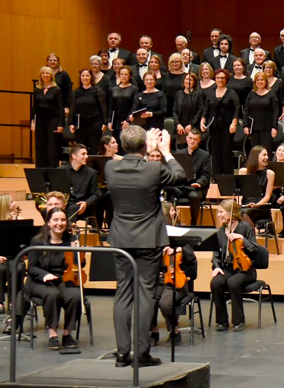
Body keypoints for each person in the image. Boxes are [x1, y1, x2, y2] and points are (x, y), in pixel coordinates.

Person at [103, 126, 185, 367]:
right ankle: (141, 353)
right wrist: (165, 151)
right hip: (148, 240)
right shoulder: (154, 168)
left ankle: (121, 354)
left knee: (123, 294)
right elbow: (180, 175)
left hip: (121, 239)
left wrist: (145, 150)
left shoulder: (110, 167)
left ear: (122, 144)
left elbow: (130, 162)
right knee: (146, 295)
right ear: (144, 147)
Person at [24, 208, 83, 350]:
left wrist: (77, 252)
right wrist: (45, 275)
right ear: (48, 223)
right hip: (39, 280)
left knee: (75, 295)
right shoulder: (37, 241)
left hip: (63, 278)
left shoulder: (71, 240)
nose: (59, 223)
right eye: (55, 220)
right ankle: (53, 334)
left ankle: (67, 334)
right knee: (53, 294)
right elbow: (31, 267)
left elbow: (80, 265)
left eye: (63, 220)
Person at [209, 199, 261, 332]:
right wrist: (216, 267)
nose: (219, 215)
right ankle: (222, 321)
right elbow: (215, 255)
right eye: (218, 212)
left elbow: (255, 249)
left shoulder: (245, 227)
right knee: (216, 283)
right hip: (228, 268)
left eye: (221, 212)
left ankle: (238, 321)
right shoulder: (220, 232)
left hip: (246, 269)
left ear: (230, 213)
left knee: (233, 283)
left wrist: (242, 238)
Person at [154, 202, 198, 346]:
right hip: (157, 279)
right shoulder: (154, 235)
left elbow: (191, 259)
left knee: (165, 303)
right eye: (172, 210)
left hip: (177, 282)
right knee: (146, 301)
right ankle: (152, 332)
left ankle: (175, 332)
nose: (174, 213)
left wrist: (180, 249)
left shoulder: (180, 234)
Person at [0, 194, 25, 320]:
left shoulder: (20, 220)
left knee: (17, 269)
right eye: (12, 201)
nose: (14, 203)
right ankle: (0, 302)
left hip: (14, 256)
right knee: (0, 269)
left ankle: (14, 302)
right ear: (4, 205)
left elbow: (24, 242)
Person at [166, 128, 211, 225]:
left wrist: (199, 183)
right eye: (190, 138)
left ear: (199, 141)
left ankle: (193, 222)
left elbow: (206, 175)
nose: (192, 141)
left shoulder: (205, 155)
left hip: (196, 188)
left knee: (194, 196)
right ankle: (171, 221)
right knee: (170, 191)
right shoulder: (179, 154)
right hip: (181, 187)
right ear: (186, 139)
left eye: (195, 139)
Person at [202, 69, 242, 176]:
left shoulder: (232, 93)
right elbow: (206, 109)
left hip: (228, 126)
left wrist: (234, 123)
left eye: (222, 78)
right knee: (215, 151)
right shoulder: (210, 92)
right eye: (218, 78)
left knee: (226, 151)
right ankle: (217, 177)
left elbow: (237, 109)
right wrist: (202, 121)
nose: (220, 80)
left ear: (226, 79)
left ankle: (228, 178)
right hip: (214, 126)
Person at [32, 66, 65, 167]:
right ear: (40, 76)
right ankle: (40, 172)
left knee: (52, 147)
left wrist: (60, 124)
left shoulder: (57, 89)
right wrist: (33, 121)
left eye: (47, 73)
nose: (45, 75)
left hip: (53, 120)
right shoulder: (37, 90)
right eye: (43, 73)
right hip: (40, 121)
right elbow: (34, 107)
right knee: (40, 146)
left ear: (51, 75)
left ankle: (52, 172)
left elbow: (60, 108)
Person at [237, 145, 276, 231]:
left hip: (261, 207)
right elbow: (240, 192)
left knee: (244, 213)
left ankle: (250, 240)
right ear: (256, 157)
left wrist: (256, 205)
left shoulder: (270, 173)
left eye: (267, 155)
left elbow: (267, 196)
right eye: (264, 155)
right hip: (245, 205)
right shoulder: (243, 171)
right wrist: (239, 202)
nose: (267, 157)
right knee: (231, 210)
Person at [68, 68, 108, 151]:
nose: (85, 78)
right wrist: (70, 122)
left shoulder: (98, 91)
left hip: (95, 123)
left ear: (91, 77)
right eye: (83, 76)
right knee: (81, 148)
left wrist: (105, 122)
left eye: (87, 76)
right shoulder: (76, 92)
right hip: (80, 125)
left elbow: (103, 108)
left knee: (94, 148)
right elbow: (72, 108)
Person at [64, 144, 99, 222]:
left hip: (80, 204)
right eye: (83, 154)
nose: (86, 156)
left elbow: (95, 194)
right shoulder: (62, 170)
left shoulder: (91, 173)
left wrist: (86, 203)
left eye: (86, 154)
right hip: (65, 203)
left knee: (72, 208)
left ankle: (69, 231)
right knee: (46, 209)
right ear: (74, 156)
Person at [173, 73, 205, 140]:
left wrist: (191, 125)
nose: (188, 81)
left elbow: (200, 110)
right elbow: (174, 110)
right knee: (181, 148)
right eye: (186, 79)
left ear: (194, 82)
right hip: (181, 128)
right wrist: (178, 124)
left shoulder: (198, 94)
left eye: (190, 80)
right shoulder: (179, 93)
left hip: (193, 127)